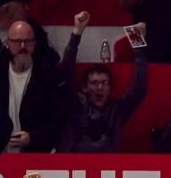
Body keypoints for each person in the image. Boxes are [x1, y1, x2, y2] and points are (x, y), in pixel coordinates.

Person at [57, 15, 149, 153]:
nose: (99, 88)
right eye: (94, 83)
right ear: (84, 88)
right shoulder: (76, 105)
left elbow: (139, 88)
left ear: (110, 88)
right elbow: (66, 70)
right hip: (77, 163)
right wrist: (77, 32)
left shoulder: (117, 110)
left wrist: (137, 39)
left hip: (109, 164)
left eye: (104, 83)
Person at [0, 20, 71, 152]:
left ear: (35, 43)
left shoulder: (48, 73)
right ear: (7, 43)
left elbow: (57, 118)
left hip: (36, 151)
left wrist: (32, 137)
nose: (23, 46)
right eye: (17, 41)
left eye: (28, 41)